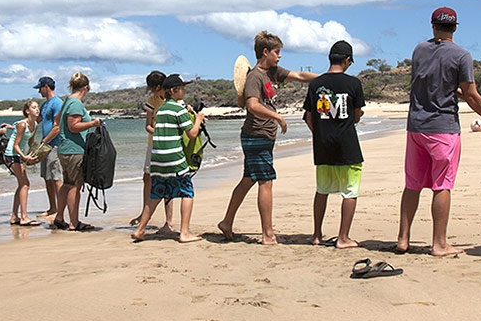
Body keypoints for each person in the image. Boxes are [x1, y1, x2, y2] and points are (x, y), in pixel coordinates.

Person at [397, 7, 481, 256]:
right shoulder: (462, 55)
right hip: (443, 128)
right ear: (456, 27)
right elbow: (470, 94)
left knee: (413, 184)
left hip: (416, 126)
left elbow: (434, 84)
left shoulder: (419, 50)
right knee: (442, 184)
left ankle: (403, 239)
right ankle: (439, 244)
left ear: (432, 25)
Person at [216, 31, 317, 245]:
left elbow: (299, 76)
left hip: (263, 136)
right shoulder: (255, 77)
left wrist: (327, 79)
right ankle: (268, 234)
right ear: (265, 52)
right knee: (266, 181)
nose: (280, 56)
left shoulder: (273, 72)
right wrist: (277, 117)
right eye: (277, 52)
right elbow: (252, 105)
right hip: (256, 135)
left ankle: (226, 222)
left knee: (249, 179)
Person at [302, 41, 364, 249]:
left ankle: (317, 234)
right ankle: (343, 237)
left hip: (323, 146)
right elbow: (355, 117)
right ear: (347, 60)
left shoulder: (315, 84)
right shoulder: (353, 84)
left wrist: (320, 133)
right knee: (350, 191)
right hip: (347, 145)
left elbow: (309, 118)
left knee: (322, 190)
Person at [131, 74, 205, 243]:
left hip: (157, 159)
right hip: (174, 159)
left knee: (155, 194)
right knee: (187, 192)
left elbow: (155, 128)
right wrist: (199, 119)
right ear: (174, 91)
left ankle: (140, 230)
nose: (184, 92)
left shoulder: (162, 109)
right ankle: (184, 232)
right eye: (182, 89)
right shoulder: (179, 109)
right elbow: (192, 134)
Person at [54, 72, 102, 231]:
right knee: (75, 186)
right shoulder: (75, 103)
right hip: (74, 150)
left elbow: (59, 121)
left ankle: (60, 217)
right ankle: (74, 222)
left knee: (67, 184)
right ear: (86, 88)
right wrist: (92, 124)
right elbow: (73, 126)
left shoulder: (67, 101)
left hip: (65, 148)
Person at [129, 71, 175, 235]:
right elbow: (148, 125)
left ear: (157, 86)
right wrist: (159, 132)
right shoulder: (152, 102)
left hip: (170, 146)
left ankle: (168, 221)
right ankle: (144, 214)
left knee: (168, 181)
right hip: (153, 144)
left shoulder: (173, 99)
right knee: (147, 178)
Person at [6, 99, 40, 226]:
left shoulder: (35, 124)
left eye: (38, 107)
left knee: (22, 184)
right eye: (34, 107)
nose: (37, 109)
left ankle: (14, 216)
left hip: (20, 155)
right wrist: (25, 157)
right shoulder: (22, 125)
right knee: (25, 184)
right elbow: (15, 145)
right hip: (11, 154)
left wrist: (35, 154)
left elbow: (30, 142)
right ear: (27, 111)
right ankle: (24, 217)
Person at [34, 76, 64, 221]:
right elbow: (37, 120)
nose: (39, 92)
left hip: (54, 145)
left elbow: (57, 127)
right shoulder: (45, 105)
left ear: (46, 87)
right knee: (47, 178)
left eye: (40, 88)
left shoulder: (57, 103)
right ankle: (52, 207)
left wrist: (44, 142)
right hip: (45, 145)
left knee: (56, 177)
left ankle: (60, 210)